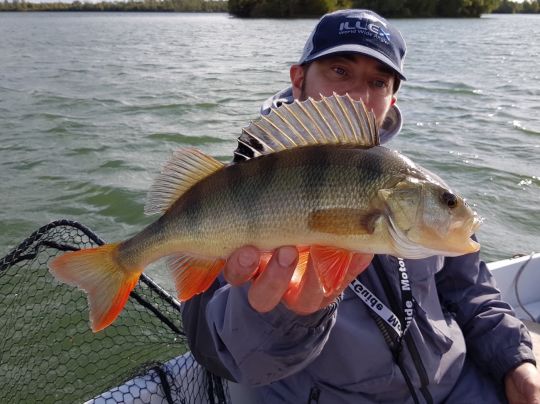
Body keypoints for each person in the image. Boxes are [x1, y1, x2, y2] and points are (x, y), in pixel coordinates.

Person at [182, 9, 540, 403]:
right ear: (298, 79)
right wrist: (285, 315)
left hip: (459, 385)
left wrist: (516, 363)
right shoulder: (240, 186)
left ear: (393, 97)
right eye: (339, 71)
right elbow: (219, 350)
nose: (358, 95)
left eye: (378, 81)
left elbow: (471, 293)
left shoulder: (419, 189)